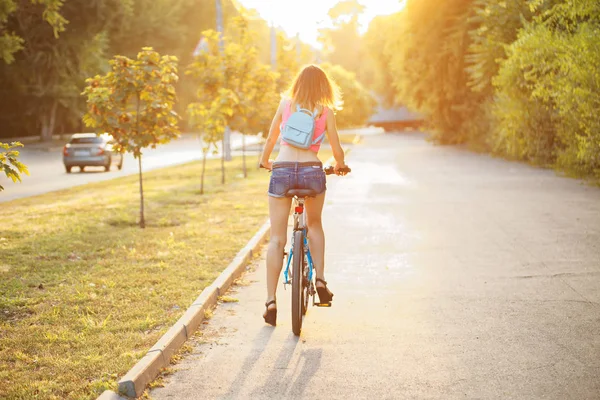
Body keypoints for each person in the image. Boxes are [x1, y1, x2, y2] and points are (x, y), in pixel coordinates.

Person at [259, 65, 348, 326]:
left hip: (283, 169)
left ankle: (270, 301)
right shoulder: (325, 111)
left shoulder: (286, 104)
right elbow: (337, 148)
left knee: (276, 238)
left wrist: (266, 161)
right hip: (311, 170)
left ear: (297, 84)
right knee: (314, 224)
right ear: (324, 86)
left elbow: (272, 136)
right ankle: (320, 279)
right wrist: (339, 165)